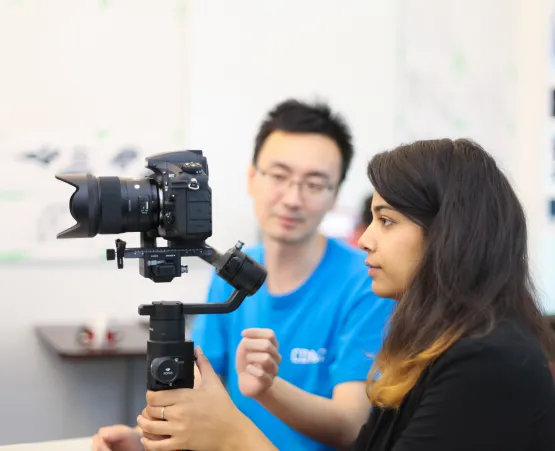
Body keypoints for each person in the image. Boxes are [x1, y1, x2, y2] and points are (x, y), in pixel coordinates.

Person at [136, 138, 555, 451]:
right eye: (370, 220)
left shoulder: (490, 361)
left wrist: (231, 436)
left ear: (451, 236)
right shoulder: (434, 346)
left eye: (386, 221)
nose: (366, 240)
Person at [92, 99, 394, 451]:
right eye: (279, 176)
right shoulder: (232, 269)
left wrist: (268, 387)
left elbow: (352, 427)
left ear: (335, 194)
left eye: (314, 183)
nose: (293, 198)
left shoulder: (367, 281)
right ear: (252, 178)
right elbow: (203, 387)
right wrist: (146, 440)